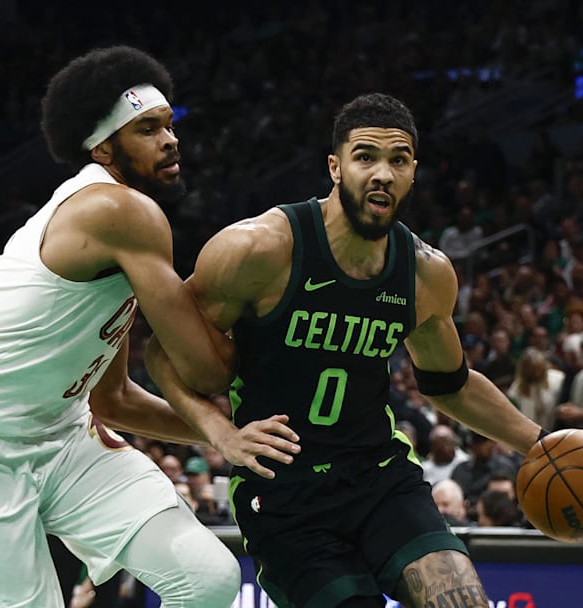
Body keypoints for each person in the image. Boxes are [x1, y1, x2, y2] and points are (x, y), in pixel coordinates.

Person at [0, 46, 294, 608]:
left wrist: (223, 436)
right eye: (147, 130)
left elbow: (111, 401)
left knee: (206, 580)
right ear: (104, 147)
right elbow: (206, 367)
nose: (170, 139)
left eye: (169, 125)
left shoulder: (125, 230)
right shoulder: (118, 212)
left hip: (62, 436)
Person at [147, 93, 548, 607]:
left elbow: (450, 385)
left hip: (378, 477)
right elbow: (162, 352)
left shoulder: (425, 273)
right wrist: (220, 435)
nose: (382, 173)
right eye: (366, 157)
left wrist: (542, 444)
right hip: (285, 495)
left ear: (413, 174)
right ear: (335, 167)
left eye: (398, 160)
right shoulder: (259, 250)